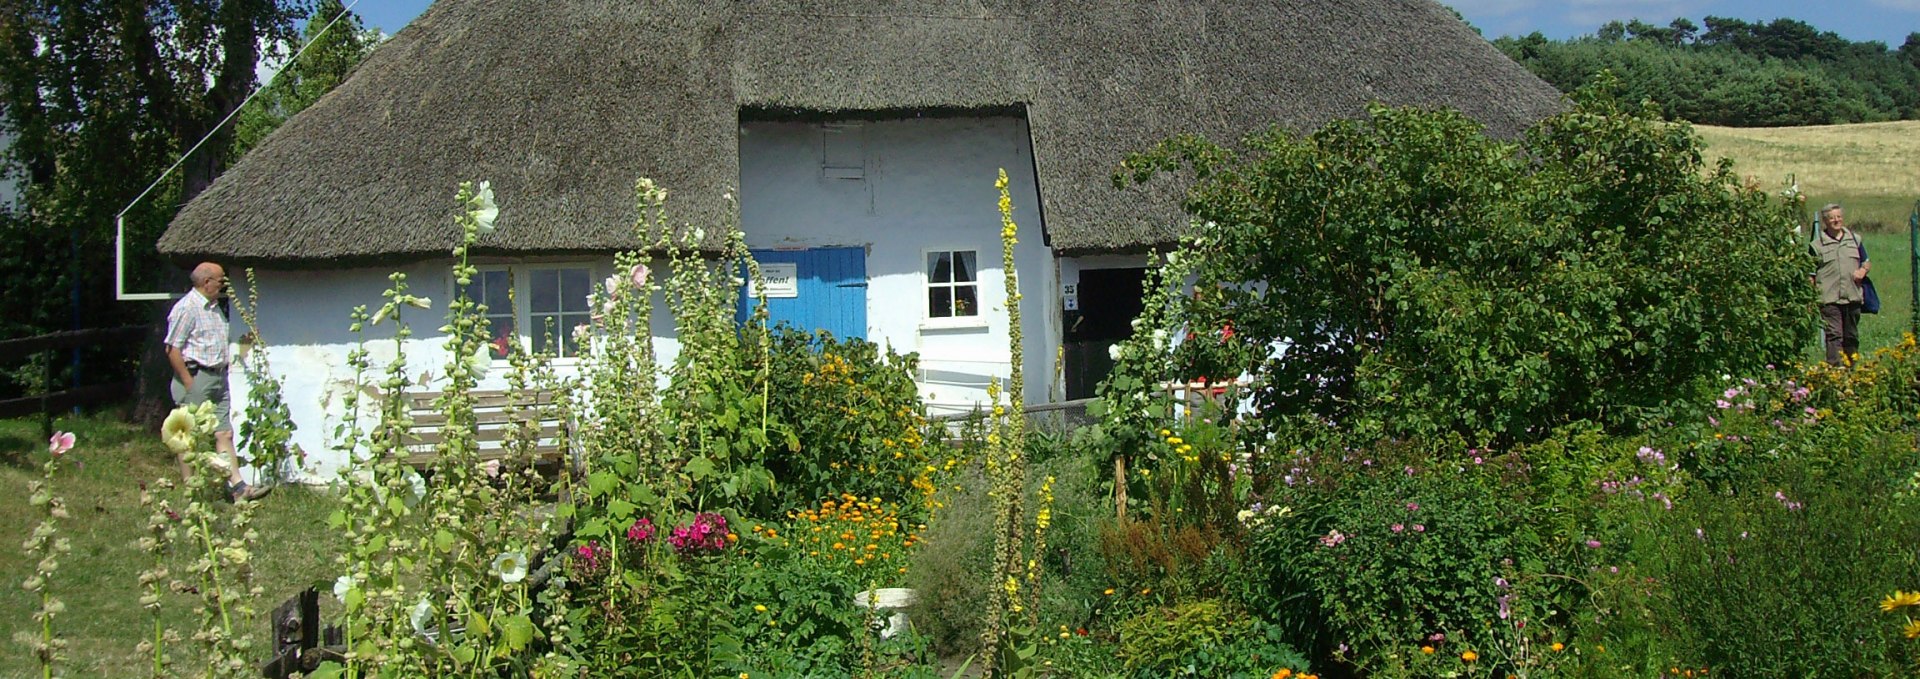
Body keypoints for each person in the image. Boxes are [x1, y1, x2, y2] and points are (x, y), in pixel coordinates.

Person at [165, 262, 270, 501]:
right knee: (189, 436)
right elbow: (172, 349)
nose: (223, 285)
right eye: (221, 281)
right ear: (206, 282)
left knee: (224, 432)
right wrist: (189, 383)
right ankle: (192, 489)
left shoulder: (213, 308)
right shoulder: (187, 309)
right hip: (197, 376)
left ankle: (238, 487)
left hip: (218, 377)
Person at [1810, 203, 1869, 365]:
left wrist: (1862, 271)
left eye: (1839, 217)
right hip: (1829, 298)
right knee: (1834, 335)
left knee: (1851, 336)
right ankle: (1835, 373)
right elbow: (1810, 274)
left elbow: (1866, 261)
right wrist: (1811, 297)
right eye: (1832, 218)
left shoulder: (1855, 240)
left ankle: (1851, 371)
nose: (1836, 220)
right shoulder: (1816, 246)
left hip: (1852, 296)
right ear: (1825, 221)